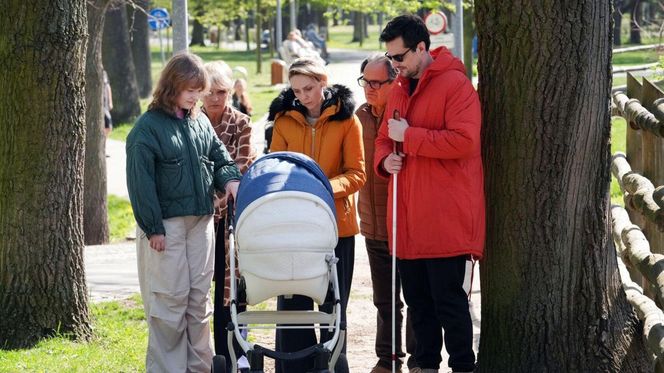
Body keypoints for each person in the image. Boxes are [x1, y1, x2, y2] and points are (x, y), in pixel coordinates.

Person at [375, 15, 485, 373]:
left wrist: (410, 137)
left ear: (422, 48)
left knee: (449, 304)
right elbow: (382, 139)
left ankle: (463, 367)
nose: (395, 65)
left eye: (400, 57)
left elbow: (465, 142)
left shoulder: (455, 85)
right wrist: (384, 160)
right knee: (418, 304)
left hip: (446, 219)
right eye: (390, 58)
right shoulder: (399, 88)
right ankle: (423, 367)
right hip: (407, 220)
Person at [126, 52, 242, 373]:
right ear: (172, 85)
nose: (196, 96)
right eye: (190, 89)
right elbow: (140, 183)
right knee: (170, 302)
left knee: (198, 302)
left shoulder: (199, 120)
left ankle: (199, 368)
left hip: (201, 221)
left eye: (198, 90)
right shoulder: (146, 129)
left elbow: (218, 157)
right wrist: (154, 229)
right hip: (166, 226)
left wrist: (231, 179)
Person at [268, 57, 366, 373]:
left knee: (333, 308)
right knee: (293, 308)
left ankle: (334, 367)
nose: (304, 96)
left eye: (309, 88)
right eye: (297, 90)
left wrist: (320, 186)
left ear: (323, 82)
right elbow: (275, 167)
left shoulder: (348, 121)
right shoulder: (283, 121)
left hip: (336, 227)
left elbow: (357, 173)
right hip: (294, 228)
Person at [355, 54, 418, 373]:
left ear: (394, 80)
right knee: (384, 301)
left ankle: (419, 359)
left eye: (376, 82)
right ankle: (388, 358)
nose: (369, 88)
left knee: (416, 296)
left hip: (405, 223)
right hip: (372, 224)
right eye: (365, 81)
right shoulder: (359, 116)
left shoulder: (407, 112)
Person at [202, 61, 257, 372]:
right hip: (197, 218)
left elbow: (240, 168)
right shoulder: (191, 122)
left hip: (229, 218)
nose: (215, 98)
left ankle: (235, 354)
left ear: (230, 91)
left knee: (231, 290)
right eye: (208, 92)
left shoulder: (241, 123)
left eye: (221, 91)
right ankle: (203, 355)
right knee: (197, 290)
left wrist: (213, 205)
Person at [102, 68, 113, 137]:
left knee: (109, 127)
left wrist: (110, 103)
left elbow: (109, 93)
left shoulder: (106, 85)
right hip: (103, 108)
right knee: (108, 126)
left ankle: (104, 139)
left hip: (105, 108)